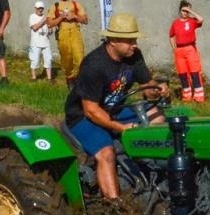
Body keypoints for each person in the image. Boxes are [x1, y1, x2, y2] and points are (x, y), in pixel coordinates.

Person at [64, 13, 169, 200]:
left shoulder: (134, 56)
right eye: (129, 40)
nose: (134, 44)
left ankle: (154, 168)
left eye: (135, 39)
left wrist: (157, 89)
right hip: (82, 116)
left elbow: (146, 87)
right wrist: (121, 128)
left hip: (115, 109)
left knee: (156, 114)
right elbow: (90, 110)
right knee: (106, 153)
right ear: (113, 41)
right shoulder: (94, 65)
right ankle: (115, 206)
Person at [47, 0, 87, 85]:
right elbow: (50, 24)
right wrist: (61, 17)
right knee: (66, 59)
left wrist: (74, 16)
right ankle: (70, 79)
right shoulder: (55, 6)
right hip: (62, 33)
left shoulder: (75, 4)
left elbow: (85, 20)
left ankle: (79, 79)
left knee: (80, 58)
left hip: (75, 33)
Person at [167, 0, 206, 102]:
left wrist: (190, 11)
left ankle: (198, 96)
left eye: (187, 11)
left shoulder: (192, 21)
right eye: (184, 10)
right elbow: (171, 36)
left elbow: (201, 19)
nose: (185, 13)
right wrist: (174, 48)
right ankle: (187, 96)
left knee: (194, 72)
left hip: (190, 49)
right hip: (179, 50)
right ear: (180, 11)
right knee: (182, 73)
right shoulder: (175, 23)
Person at [27, 1, 53, 80]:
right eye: (38, 8)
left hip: (46, 42)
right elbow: (34, 28)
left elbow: (50, 31)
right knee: (35, 60)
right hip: (35, 43)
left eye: (41, 8)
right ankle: (34, 77)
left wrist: (50, 30)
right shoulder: (32, 16)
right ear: (35, 8)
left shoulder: (46, 18)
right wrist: (43, 20)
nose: (40, 10)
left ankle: (49, 78)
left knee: (48, 60)